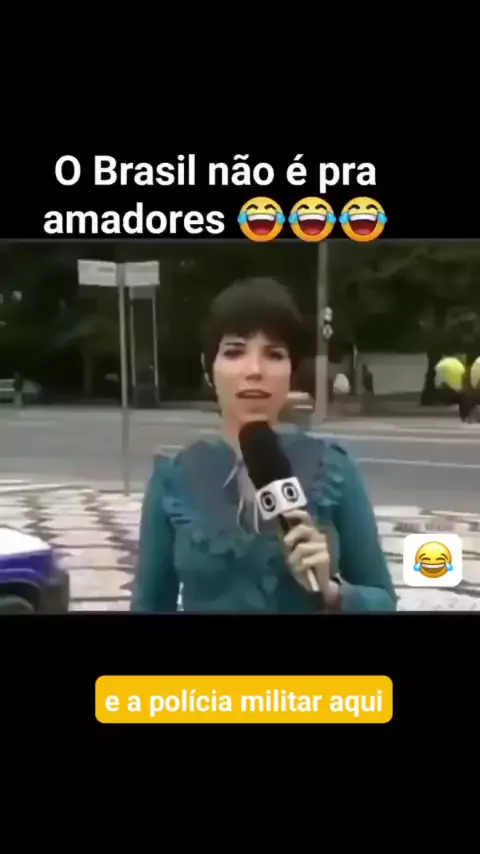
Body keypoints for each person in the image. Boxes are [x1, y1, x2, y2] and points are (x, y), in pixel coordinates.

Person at [131, 278, 397, 614]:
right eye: (234, 352)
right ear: (208, 368)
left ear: (291, 371)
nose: (254, 370)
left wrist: (333, 592)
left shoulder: (332, 469)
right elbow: (150, 605)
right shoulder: (173, 480)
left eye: (274, 354)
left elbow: (384, 600)